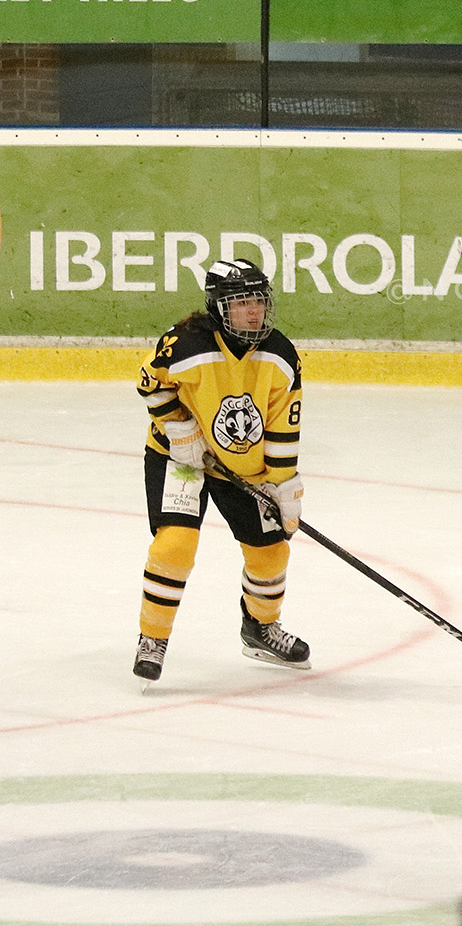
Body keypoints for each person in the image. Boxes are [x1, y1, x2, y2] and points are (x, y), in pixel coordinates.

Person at [132, 259, 308, 683]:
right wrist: (179, 427)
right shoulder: (185, 343)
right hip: (181, 460)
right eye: (241, 302)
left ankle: (260, 627)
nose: (253, 311)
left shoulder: (281, 355)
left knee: (271, 554)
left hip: (243, 471)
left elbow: (284, 423)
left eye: (259, 301)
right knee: (174, 546)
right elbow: (149, 383)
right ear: (218, 307)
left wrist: (282, 486)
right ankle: (152, 639)